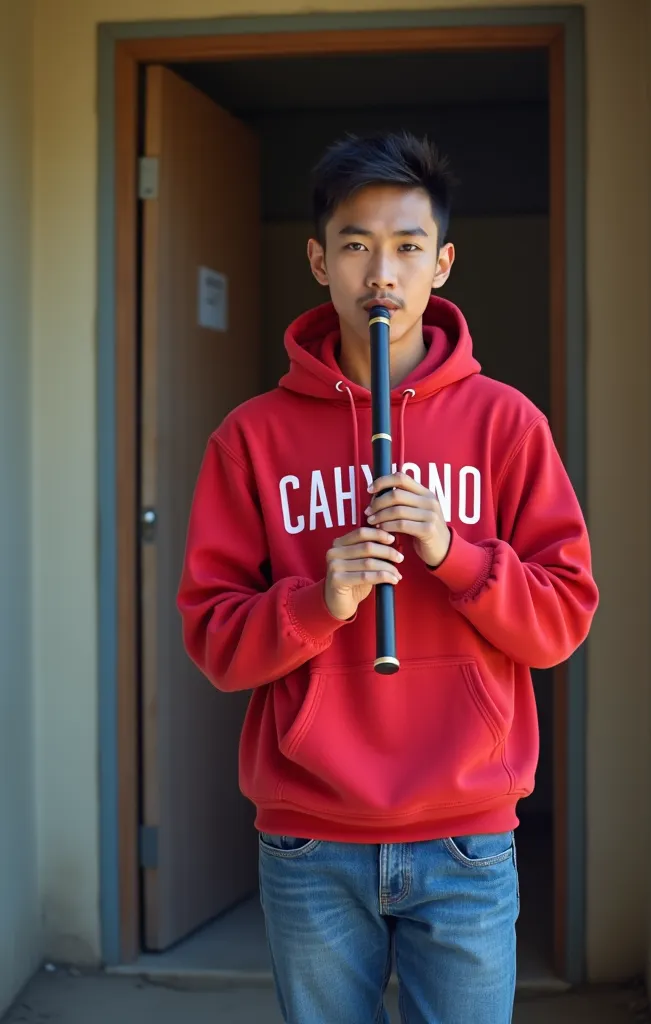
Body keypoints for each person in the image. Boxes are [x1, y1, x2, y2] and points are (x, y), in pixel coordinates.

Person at [177, 131, 599, 1024]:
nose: (382, 271)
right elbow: (214, 640)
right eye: (355, 244)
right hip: (310, 834)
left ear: (442, 263)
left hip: (468, 830)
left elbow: (561, 622)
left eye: (408, 246)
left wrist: (459, 556)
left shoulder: (507, 424)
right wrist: (315, 603)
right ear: (317, 260)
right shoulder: (250, 438)